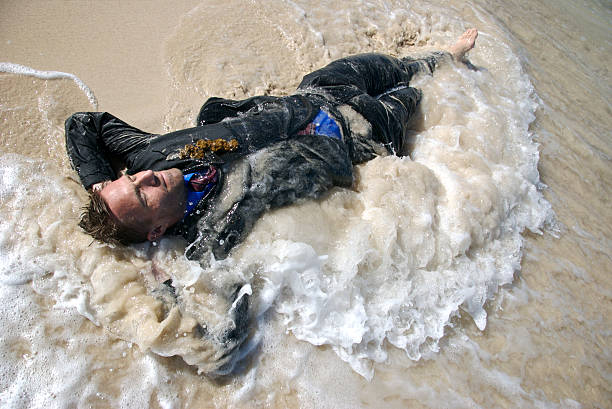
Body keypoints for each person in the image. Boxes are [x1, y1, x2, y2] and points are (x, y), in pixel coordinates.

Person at [65, 28, 478, 374]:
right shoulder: (216, 233)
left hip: (317, 92)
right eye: (142, 193)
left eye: (131, 178)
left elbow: (85, 125)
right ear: (157, 228)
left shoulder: (150, 155)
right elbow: (223, 344)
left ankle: (447, 56)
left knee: (399, 66)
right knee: (415, 94)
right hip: (361, 133)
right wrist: (165, 293)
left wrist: (99, 184)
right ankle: (456, 73)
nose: (145, 177)